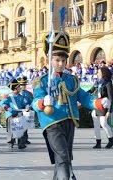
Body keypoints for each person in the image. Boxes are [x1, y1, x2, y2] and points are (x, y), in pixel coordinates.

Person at [32, 31, 110, 179]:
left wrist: (98, 102)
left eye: (63, 60)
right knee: (62, 156)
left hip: (70, 121)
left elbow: (83, 96)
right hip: (52, 123)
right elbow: (35, 102)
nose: (60, 64)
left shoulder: (72, 80)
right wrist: (42, 102)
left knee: (64, 156)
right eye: (56, 60)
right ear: (49, 60)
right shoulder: (42, 81)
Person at [88, 66, 113, 149]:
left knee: (103, 124)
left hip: (103, 105)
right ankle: (98, 142)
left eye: (99, 72)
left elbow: (111, 98)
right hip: (97, 104)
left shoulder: (108, 83)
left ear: (103, 73)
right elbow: (90, 91)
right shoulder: (97, 83)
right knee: (96, 124)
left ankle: (111, 139)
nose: (97, 73)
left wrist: (109, 111)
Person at [0, 78, 29, 149]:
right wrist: (8, 108)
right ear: (15, 88)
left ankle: (21, 143)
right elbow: (2, 103)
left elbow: (25, 104)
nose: (20, 88)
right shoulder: (9, 96)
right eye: (19, 87)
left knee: (20, 129)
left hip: (19, 114)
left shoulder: (21, 97)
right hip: (11, 115)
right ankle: (10, 142)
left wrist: (27, 106)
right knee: (11, 130)